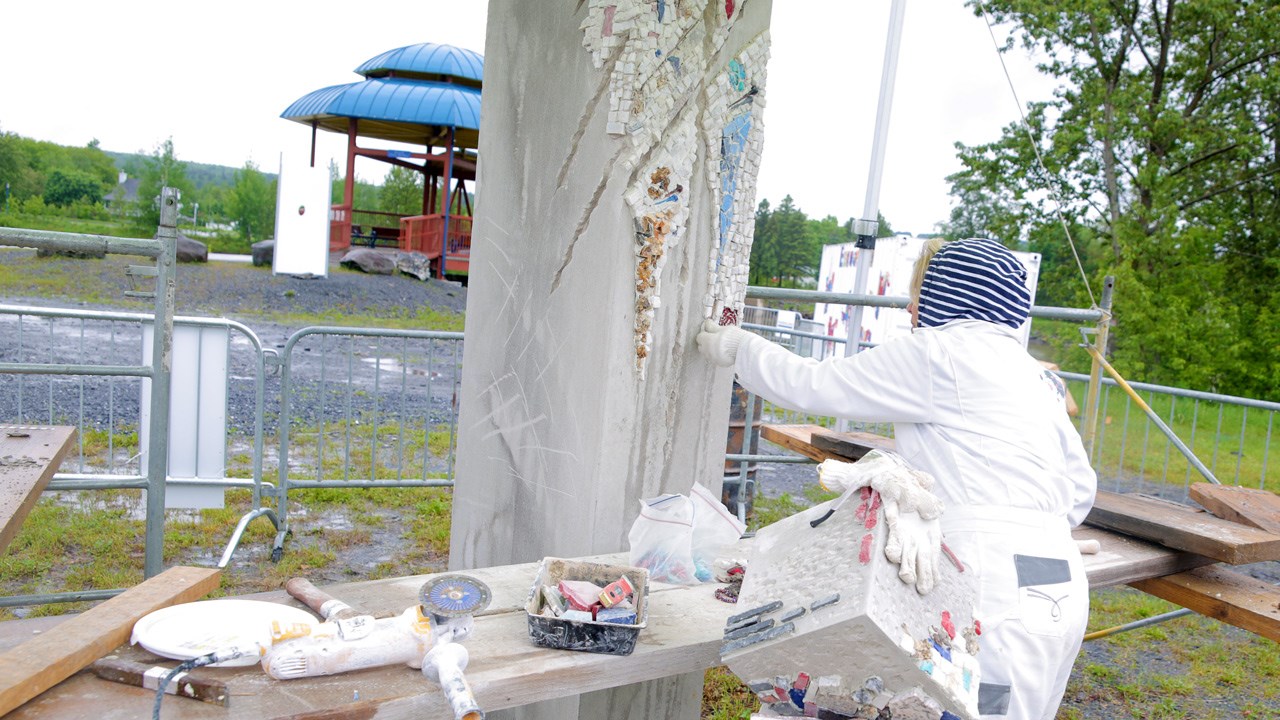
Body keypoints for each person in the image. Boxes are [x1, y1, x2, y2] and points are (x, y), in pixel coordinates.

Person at [696, 237, 1096, 720]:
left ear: (950, 294)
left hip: (991, 589)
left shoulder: (940, 351)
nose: (910, 308)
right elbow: (1079, 495)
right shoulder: (1035, 377)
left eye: (920, 293)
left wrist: (739, 347)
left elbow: (813, 383)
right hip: (1059, 587)